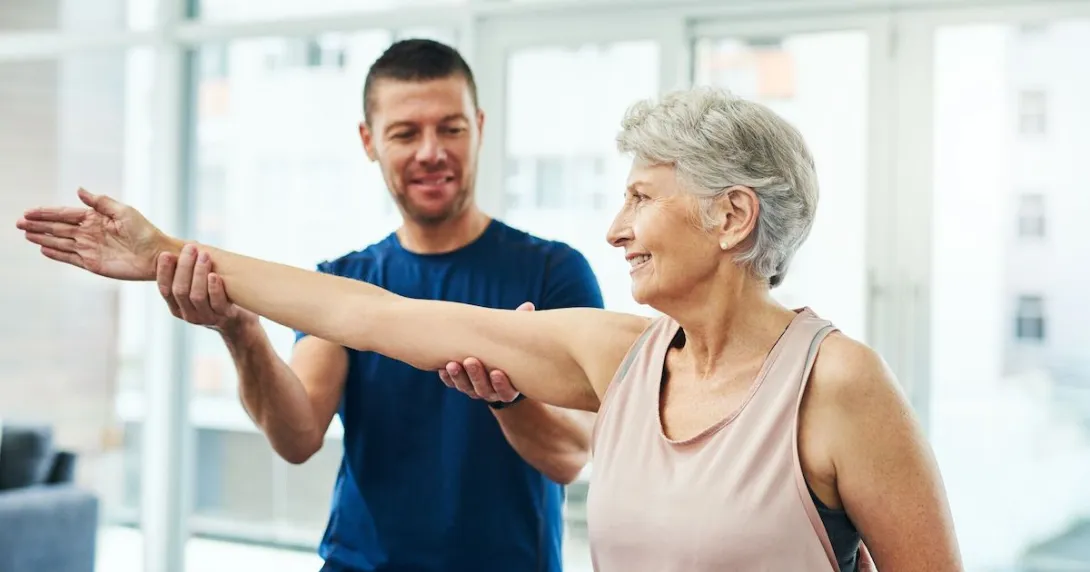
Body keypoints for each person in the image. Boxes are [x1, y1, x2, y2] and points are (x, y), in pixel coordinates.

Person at [17, 85, 964, 572]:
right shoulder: (615, 353)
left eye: (641, 196)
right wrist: (169, 252)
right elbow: (371, 313)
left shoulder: (839, 384)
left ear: (730, 218)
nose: (615, 227)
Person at [139, 38, 605, 572]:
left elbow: (570, 457)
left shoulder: (553, 273)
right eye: (406, 133)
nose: (431, 151)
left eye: (450, 128)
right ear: (369, 141)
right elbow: (297, 437)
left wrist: (508, 399)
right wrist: (241, 333)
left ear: (479, 126)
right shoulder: (345, 281)